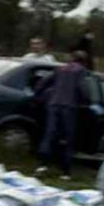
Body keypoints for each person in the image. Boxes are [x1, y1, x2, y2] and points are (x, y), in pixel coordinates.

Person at [34, 51, 90, 180]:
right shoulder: (80, 71)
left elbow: (43, 83)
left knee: (49, 133)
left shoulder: (60, 68)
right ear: (83, 61)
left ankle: (42, 165)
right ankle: (65, 171)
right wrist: (86, 101)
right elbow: (82, 89)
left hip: (53, 104)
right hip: (69, 107)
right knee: (67, 137)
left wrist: (39, 95)